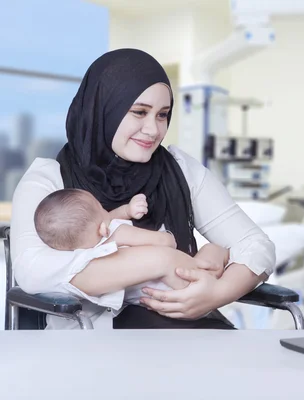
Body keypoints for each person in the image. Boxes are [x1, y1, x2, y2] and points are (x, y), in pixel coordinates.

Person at [11, 48, 275, 330]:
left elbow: (257, 246)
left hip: (193, 331)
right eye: (139, 112)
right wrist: (160, 261)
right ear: (103, 109)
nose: (153, 130)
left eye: (162, 115)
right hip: (100, 345)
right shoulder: (49, 179)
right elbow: (33, 271)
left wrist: (217, 294)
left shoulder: (179, 169)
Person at [33, 188, 229, 305]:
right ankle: (220, 270)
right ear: (102, 228)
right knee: (213, 249)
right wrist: (167, 234)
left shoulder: (85, 257)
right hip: (181, 281)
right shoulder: (119, 233)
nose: (108, 212)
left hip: (154, 299)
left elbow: (109, 219)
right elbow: (167, 243)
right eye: (102, 209)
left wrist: (127, 210)